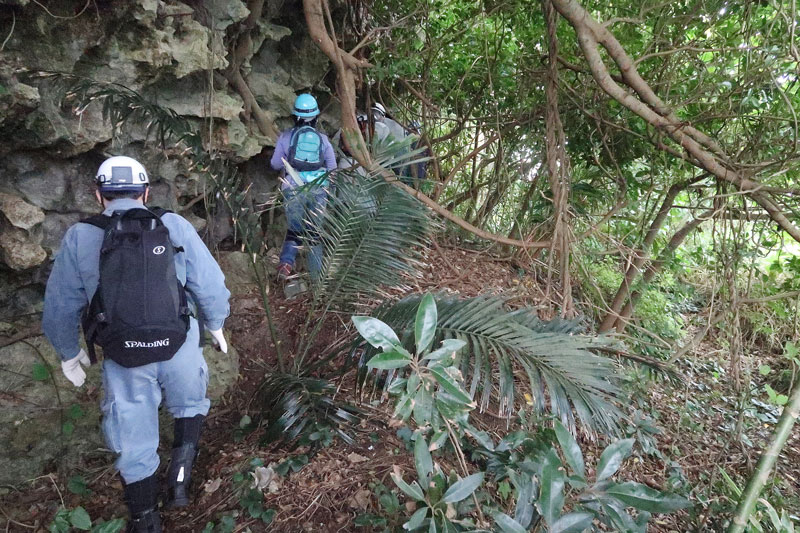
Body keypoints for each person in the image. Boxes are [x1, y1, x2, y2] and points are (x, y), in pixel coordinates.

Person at [42, 156, 231, 532]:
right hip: (178, 340)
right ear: (146, 192)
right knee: (190, 399)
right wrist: (215, 324)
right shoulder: (172, 224)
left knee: (132, 428)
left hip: (123, 351)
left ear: (99, 196)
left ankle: (145, 517)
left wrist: (68, 352)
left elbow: (60, 306)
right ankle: (180, 479)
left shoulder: (81, 236)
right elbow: (209, 283)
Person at [270, 93, 336, 282]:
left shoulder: (285, 137)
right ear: (315, 117)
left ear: (294, 116)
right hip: (319, 189)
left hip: (293, 188)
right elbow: (333, 168)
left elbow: (275, 164)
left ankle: (285, 266)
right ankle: (317, 277)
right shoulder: (323, 139)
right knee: (315, 233)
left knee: (294, 230)